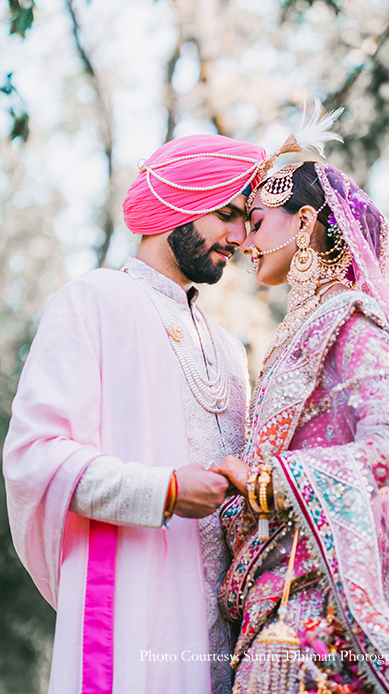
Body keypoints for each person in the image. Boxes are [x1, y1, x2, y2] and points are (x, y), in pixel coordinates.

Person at [2, 133, 271, 694]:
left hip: (226, 636)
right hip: (133, 610)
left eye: (246, 221)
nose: (239, 237)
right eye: (226, 215)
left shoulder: (228, 350)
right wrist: (165, 491)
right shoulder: (92, 300)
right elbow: (34, 457)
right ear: (176, 202)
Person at [212, 157, 389, 693]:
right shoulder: (294, 333)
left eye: (256, 222)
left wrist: (271, 482)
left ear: (304, 223)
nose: (245, 241)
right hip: (266, 601)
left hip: (316, 614)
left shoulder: (350, 321)